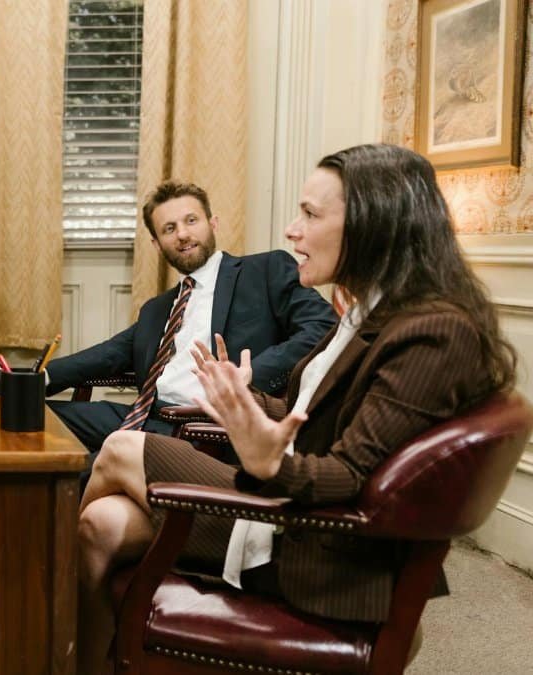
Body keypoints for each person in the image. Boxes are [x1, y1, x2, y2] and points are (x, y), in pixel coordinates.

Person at [74, 143, 518, 675]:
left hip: (310, 547)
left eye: (310, 214)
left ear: (372, 224)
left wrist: (267, 461)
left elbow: (348, 476)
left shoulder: (431, 332)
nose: (292, 230)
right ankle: (83, 662)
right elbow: (314, 410)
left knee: (121, 446)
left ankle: (58, 634)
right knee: (100, 524)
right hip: (291, 518)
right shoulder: (370, 314)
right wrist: (245, 401)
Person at [46, 181, 336, 451]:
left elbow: (323, 327)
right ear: (157, 244)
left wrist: (246, 379)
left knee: (82, 470)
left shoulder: (264, 271)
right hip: (145, 416)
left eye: (191, 221)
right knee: (32, 416)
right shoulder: (156, 309)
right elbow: (108, 354)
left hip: (206, 430)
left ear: (213, 223)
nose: (182, 234)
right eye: (169, 228)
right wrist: (38, 377)